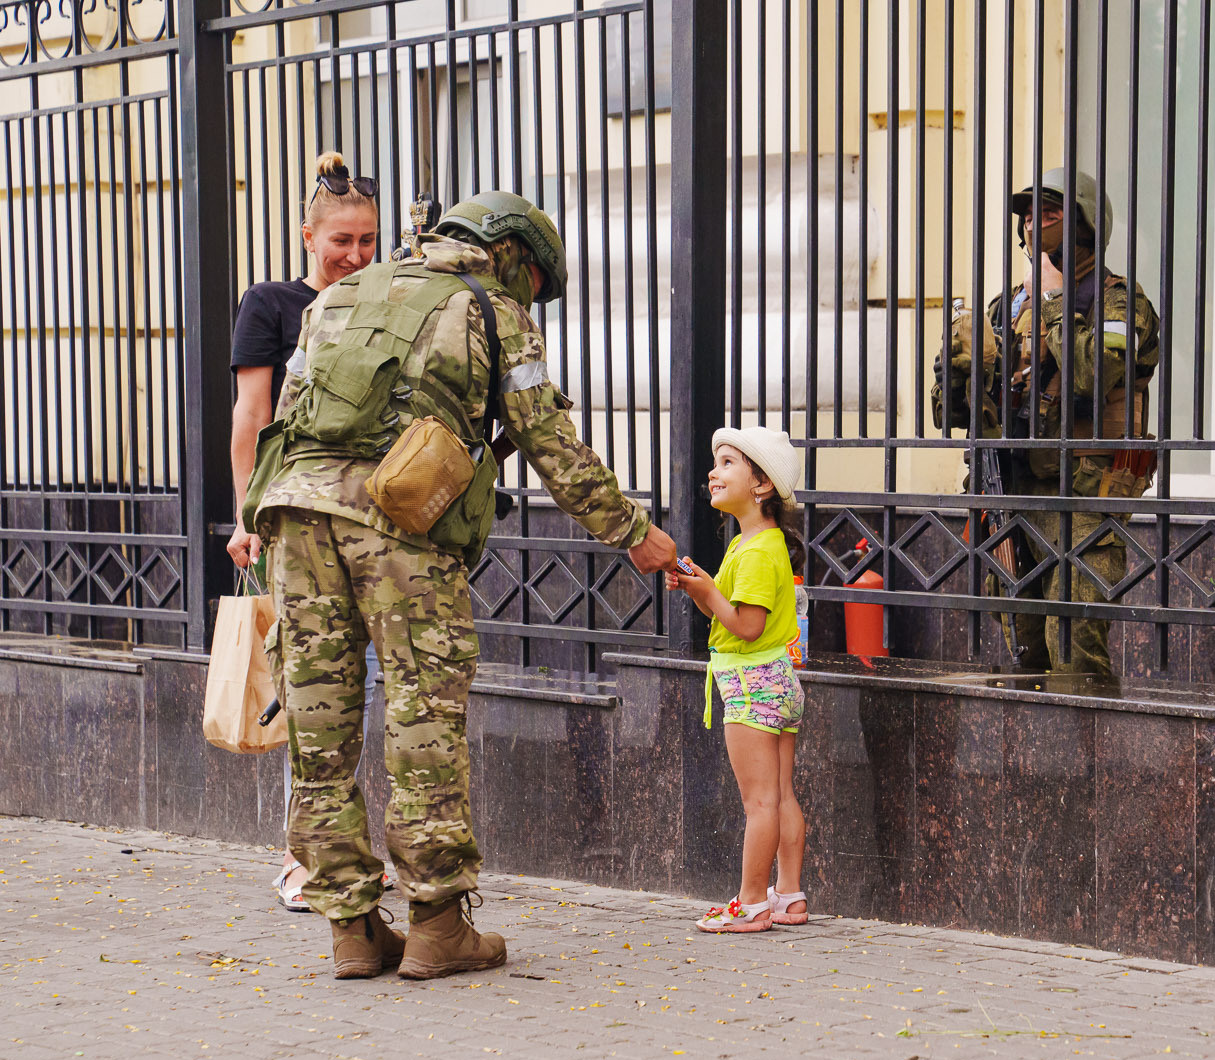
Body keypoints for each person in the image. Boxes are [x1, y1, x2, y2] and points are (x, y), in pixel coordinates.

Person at [245, 189, 680, 979]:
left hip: (295, 516)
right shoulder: (491, 307)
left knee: (319, 721)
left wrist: (259, 517)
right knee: (421, 712)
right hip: (396, 525)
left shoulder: (338, 294)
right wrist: (633, 533)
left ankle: (349, 925)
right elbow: (548, 438)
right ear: (510, 253)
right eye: (534, 283)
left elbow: (286, 415)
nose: (531, 299)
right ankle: (438, 921)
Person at [224, 150, 384, 912]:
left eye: (367, 241)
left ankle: (361, 851)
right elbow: (252, 417)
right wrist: (248, 515)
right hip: (295, 522)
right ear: (307, 236)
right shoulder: (272, 306)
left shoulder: (388, 299)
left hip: (378, 523)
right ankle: (305, 857)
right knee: (313, 691)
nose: (355, 256)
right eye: (341, 241)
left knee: (379, 693)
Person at [931, 168, 1161, 684]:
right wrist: (955, 380)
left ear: (1084, 223)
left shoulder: (1121, 303)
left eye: (1051, 215)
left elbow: (1090, 374)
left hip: (1080, 499)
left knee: (1078, 656)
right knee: (1022, 648)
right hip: (1010, 491)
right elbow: (957, 417)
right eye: (1029, 217)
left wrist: (1052, 305)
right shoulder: (1004, 307)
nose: (1036, 226)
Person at [666, 427, 810, 934]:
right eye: (716, 462)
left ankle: (750, 903)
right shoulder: (756, 544)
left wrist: (705, 589)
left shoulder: (752, 552)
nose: (713, 471)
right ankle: (789, 896)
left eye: (728, 462)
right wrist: (700, 587)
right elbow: (737, 615)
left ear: (762, 485)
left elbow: (744, 627)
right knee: (782, 794)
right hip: (779, 678)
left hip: (751, 684)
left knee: (760, 802)